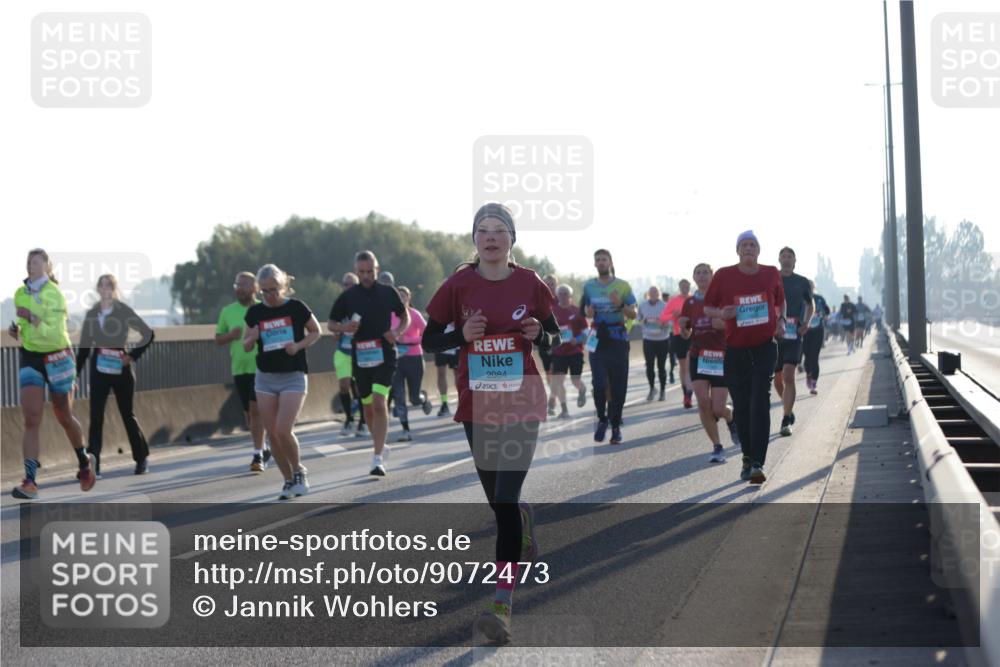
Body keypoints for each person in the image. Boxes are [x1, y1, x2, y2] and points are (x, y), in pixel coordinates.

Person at [422, 202, 559, 644]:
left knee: (503, 498)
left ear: (512, 239)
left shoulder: (529, 282)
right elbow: (429, 341)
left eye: (500, 229)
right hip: (477, 404)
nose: (492, 236)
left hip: (522, 401)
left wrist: (543, 335)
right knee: (501, 507)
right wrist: (460, 336)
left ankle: (501, 604)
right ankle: (520, 526)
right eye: (483, 230)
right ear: (475, 239)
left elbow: (555, 335)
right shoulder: (459, 285)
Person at [10, 249, 96, 499]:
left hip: (57, 355)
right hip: (31, 357)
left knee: (63, 414)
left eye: (36, 261)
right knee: (31, 418)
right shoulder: (19, 293)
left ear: (47, 266)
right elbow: (26, 328)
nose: (30, 265)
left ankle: (83, 461)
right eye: (28, 261)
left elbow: (54, 333)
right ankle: (30, 481)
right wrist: (18, 330)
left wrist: (33, 319)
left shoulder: (55, 294)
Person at [704, 231, 785, 485]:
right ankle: (748, 457)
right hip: (735, 350)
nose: (748, 248)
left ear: (759, 251)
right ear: (737, 251)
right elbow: (708, 308)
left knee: (760, 398)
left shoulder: (771, 273)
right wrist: (722, 312)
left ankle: (758, 462)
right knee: (742, 405)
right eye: (744, 245)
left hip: (764, 346)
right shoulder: (724, 275)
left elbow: (781, 302)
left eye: (753, 245)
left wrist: (781, 319)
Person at [243, 264, 321, 499]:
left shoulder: (296, 308)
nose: (270, 296)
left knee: (283, 429)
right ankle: (288, 480)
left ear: (284, 286)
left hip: (293, 376)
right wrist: (252, 337)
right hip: (265, 378)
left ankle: (299, 470)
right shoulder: (255, 313)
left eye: (274, 290)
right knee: (272, 434)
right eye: (265, 291)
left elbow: (316, 331)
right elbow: (245, 345)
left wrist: (297, 346)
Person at [329, 251, 409, 477]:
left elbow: (405, 317)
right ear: (357, 272)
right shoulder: (349, 296)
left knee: (378, 401)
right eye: (362, 272)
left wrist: (397, 332)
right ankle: (381, 447)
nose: (366, 276)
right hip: (360, 357)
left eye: (370, 271)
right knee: (367, 408)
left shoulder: (387, 292)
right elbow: (331, 324)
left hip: (385, 353)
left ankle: (376, 460)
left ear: (376, 268)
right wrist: (344, 328)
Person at [76, 274, 155, 476]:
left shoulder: (123, 311)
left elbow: (148, 334)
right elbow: (84, 348)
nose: (105, 289)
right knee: (96, 417)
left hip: (121, 370)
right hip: (99, 370)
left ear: (114, 289)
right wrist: (75, 374)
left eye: (109, 286)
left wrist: (132, 356)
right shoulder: (93, 313)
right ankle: (94, 466)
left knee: (127, 415)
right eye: (102, 286)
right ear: (97, 289)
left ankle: (141, 458)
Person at [679, 263, 738, 462]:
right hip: (698, 356)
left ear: (712, 276)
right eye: (698, 272)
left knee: (718, 409)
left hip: (721, 356)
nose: (702, 275)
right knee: (703, 404)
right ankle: (717, 446)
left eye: (706, 272)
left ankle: (731, 417)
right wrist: (683, 329)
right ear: (694, 277)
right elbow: (687, 333)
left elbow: (733, 322)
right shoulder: (688, 303)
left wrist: (721, 322)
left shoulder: (722, 298)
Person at [580, 249, 637, 444]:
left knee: (618, 385)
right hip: (596, 339)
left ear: (610, 262)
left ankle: (615, 426)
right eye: (597, 260)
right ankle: (602, 419)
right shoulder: (588, 287)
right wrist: (588, 312)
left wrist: (620, 304)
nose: (601, 262)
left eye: (604, 259)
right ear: (594, 264)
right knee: (599, 384)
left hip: (618, 339)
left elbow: (634, 314)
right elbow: (585, 312)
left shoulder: (622, 286)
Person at [215, 271, 270, 472]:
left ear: (256, 287)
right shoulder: (227, 311)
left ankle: (258, 453)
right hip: (240, 369)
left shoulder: (263, 309)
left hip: (262, 367)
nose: (240, 289)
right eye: (237, 285)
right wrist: (231, 335)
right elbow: (218, 339)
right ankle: (263, 446)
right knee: (249, 414)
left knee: (258, 410)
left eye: (245, 285)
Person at [773, 248, 813, 437]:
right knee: (778, 379)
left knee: (789, 374)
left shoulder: (802, 282)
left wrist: (807, 322)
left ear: (795, 260)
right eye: (784, 256)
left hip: (794, 333)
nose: (787, 259)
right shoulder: (773, 278)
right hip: (774, 334)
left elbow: (809, 305)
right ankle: (788, 405)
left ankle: (786, 417)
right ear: (779, 259)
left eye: (790, 256)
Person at [390, 286, 432, 441]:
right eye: (398, 296)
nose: (401, 299)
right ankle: (405, 430)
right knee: (399, 396)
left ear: (408, 299)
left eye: (403, 296)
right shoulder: (390, 315)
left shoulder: (414, 315)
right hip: (395, 360)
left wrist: (408, 340)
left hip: (414, 358)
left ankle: (422, 398)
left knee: (413, 398)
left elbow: (428, 334)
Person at [330, 272, 368, 438]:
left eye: (351, 284)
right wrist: (339, 331)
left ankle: (363, 422)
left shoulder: (363, 301)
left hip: (361, 351)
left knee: (360, 389)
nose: (348, 287)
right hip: (343, 351)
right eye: (345, 284)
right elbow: (332, 324)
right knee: (344, 386)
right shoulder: (341, 302)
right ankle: (349, 419)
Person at [549, 283, 588, 418]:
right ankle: (564, 410)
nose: (563, 296)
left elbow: (586, 333)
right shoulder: (552, 311)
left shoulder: (577, 311)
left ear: (570, 295)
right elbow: (547, 332)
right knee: (558, 382)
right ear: (557, 295)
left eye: (566, 293)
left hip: (575, 351)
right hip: (559, 353)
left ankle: (582, 390)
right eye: (561, 293)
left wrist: (576, 340)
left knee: (575, 380)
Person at [663, 280, 694, 408]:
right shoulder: (673, 300)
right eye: (682, 286)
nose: (685, 288)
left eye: (687, 286)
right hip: (678, 335)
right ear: (680, 287)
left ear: (689, 287)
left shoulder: (694, 299)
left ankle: (689, 394)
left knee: (689, 364)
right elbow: (663, 317)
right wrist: (673, 315)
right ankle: (686, 394)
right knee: (683, 367)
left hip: (693, 334)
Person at [638, 285, 670, 402]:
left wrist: (664, 323)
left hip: (662, 339)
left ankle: (662, 390)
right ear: (648, 294)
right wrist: (644, 321)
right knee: (649, 365)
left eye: (655, 293)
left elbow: (671, 321)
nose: (653, 295)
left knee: (661, 367)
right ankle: (652, 388)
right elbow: (638, 319)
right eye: (651, 293)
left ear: (659, 294)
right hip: (648, 339)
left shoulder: (665, 306)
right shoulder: (642, 305)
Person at [802, 281, 830, 395]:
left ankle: (814, 383)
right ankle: (808, 374)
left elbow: (827, 311)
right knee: (807, 356)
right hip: (805, 331)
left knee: (814, 357)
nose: (810, 289)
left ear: (814, 288)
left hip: (818, 331)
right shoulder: (801, 298)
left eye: (811, 287)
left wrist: (821, 313)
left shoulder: (819, 298)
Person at [541, 274, 559, 415]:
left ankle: (552, 400)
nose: (549, 286)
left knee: (554, 371)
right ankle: (554, 394)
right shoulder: (540, 300)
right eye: (546, 283)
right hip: (544, 342)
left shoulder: (561, 301)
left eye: (552, 283)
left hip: (559, 343)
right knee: (548, 373)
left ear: (556, 285)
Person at [433, 324, 460, 416]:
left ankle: (461, 402)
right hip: (441, 345)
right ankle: (444, 403)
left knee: (458, 374)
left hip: (456, 345)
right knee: (441, 373)